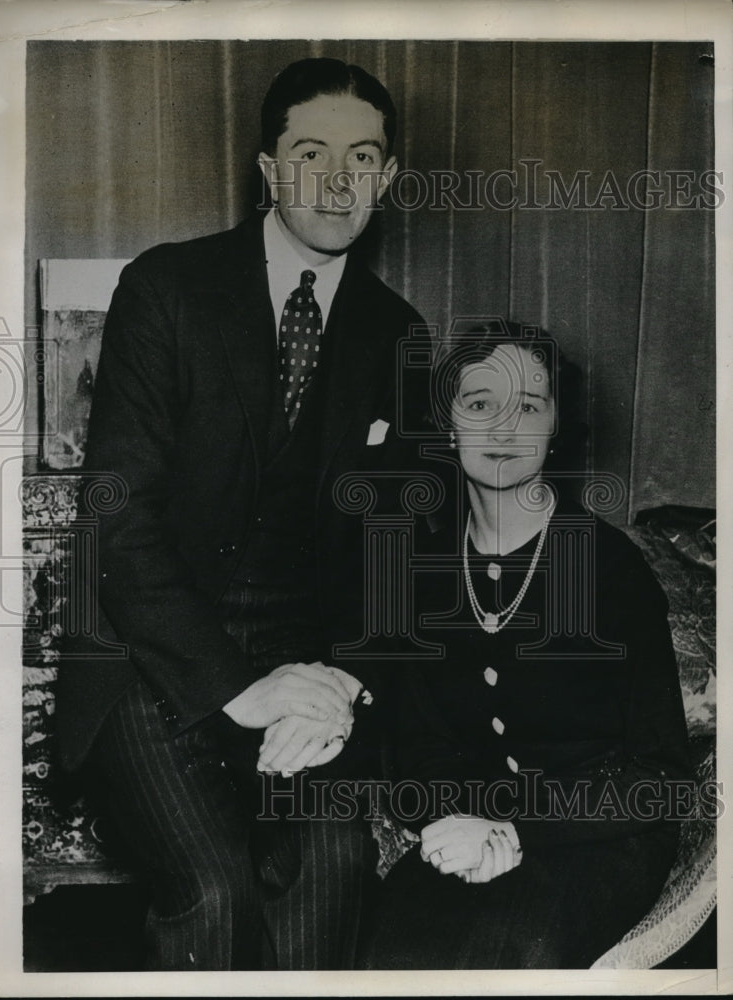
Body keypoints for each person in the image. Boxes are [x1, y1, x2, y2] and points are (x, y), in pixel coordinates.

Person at [56, 57, 424, 971]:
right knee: (214, 887)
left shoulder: (398, 334)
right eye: (311, 154)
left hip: (303, 671)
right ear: (268, 170)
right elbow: (118, 518)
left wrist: (342, 688)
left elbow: (392, 555)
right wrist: (235, 687)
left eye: (364, 158)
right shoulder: (168, 290)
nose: (339, 181)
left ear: (385, 176)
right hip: (147, 663)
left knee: (335, 858)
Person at [359, 321, 691, 969]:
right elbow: (419, 748)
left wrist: (516, 829)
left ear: (553, 429)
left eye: (529, 406)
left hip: (600, 838)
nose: (505, 428)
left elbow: (662, 777)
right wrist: (448, 825)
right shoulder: (420, 570)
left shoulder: (608, 569)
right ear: (447, 427)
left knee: (516, 948)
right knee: (387, 950)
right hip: (471, 829)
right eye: (480, 404)